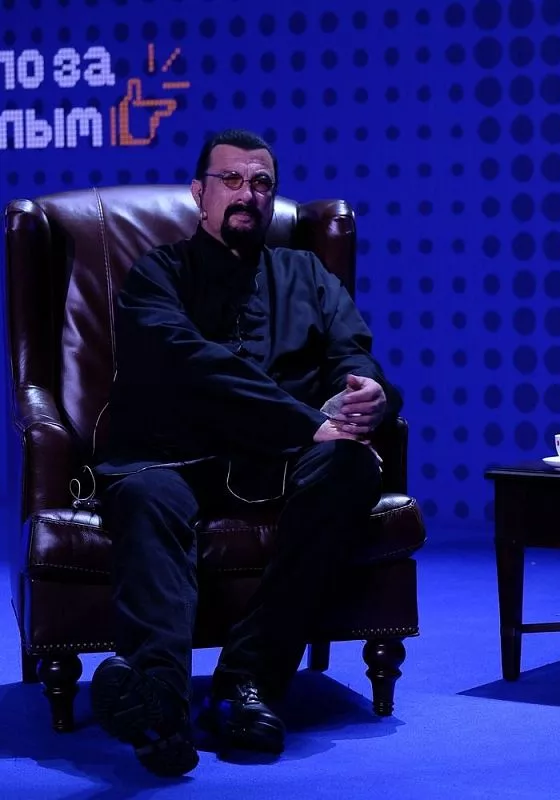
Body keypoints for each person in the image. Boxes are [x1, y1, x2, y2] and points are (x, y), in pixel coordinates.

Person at [87, 129, 402, 777]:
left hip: (278, 466)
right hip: (173, 457)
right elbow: (191, 363)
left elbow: (352, 351)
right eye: (230, 180)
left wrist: (369, 392)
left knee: (349, 464)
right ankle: (160, 706)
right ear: (198, 193)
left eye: (261, 183)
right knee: (146, 497)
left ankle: (246, 682)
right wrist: (305, 422)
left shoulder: (305, 273)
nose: (247, 193)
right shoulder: (157, 274)